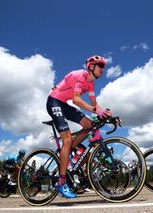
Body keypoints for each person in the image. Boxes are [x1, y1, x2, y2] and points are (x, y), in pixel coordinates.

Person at [46, 55, 112, 198]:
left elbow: (95, 105)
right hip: (54, 102)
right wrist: (96, 111)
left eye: (103, 67)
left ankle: (69, 151)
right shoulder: (81, 76)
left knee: (89, 124)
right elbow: (76, 100)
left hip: (63, 104)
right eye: (100, 66)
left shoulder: (91, 84)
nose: (102, 69)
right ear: (91, 66)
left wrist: (106, 114)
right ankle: (61, 183)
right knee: (67, 139)